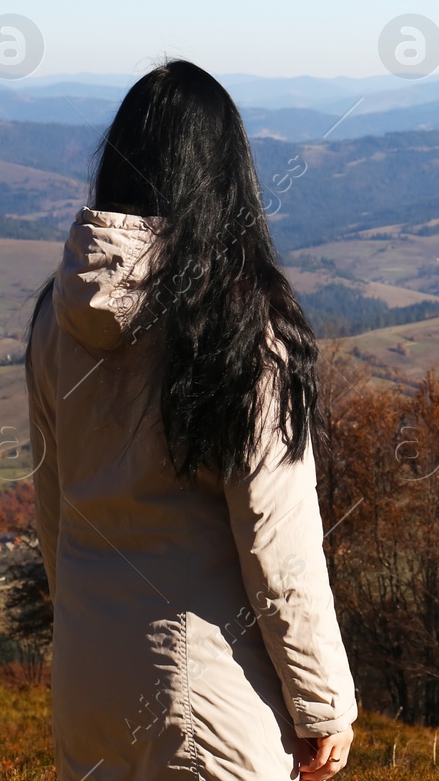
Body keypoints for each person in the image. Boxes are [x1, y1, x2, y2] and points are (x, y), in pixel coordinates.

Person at [26, 60, 355, 780]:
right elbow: (277, 543)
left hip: (87, 683)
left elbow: (54, 508)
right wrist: (323, 704)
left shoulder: (56, 313)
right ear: (224, 174)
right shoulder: (244, 327)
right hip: (206, 698)